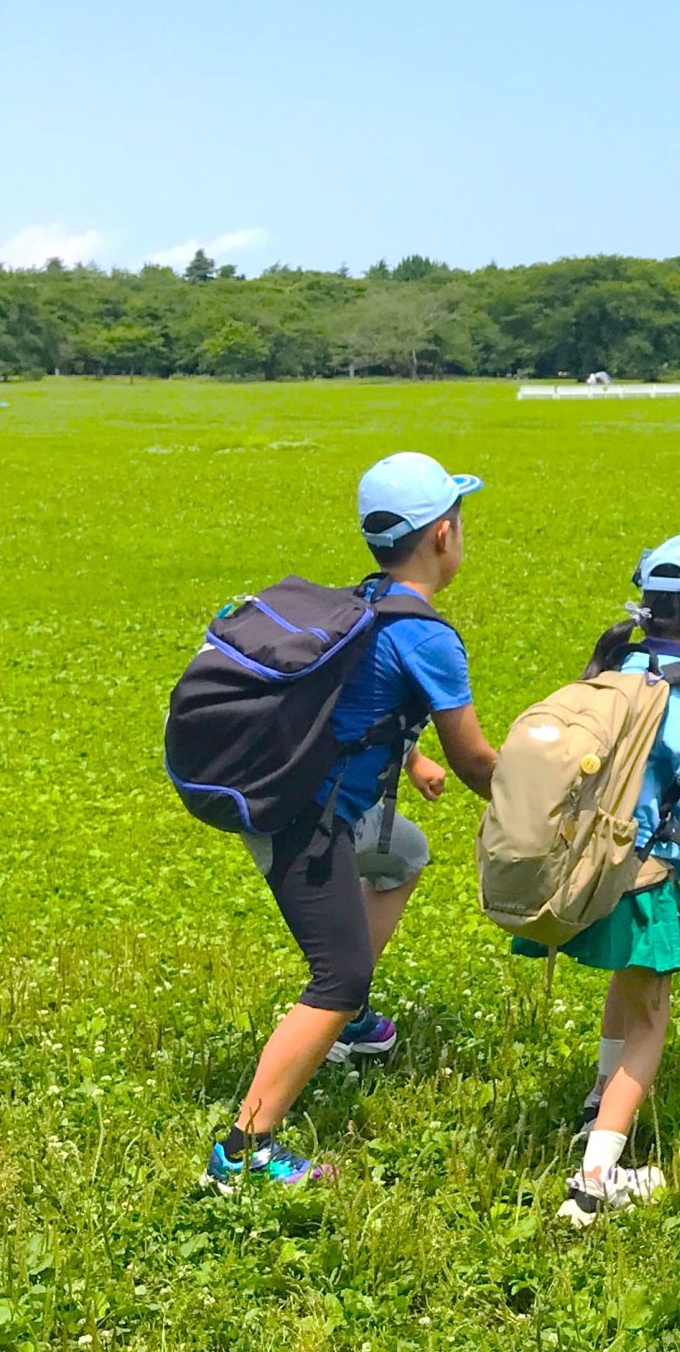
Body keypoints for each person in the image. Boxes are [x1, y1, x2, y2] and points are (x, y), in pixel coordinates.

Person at [202, 453, 500, 1193]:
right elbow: (478, 761)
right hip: (304, 821)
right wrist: (545, 802)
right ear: (442, 536)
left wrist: (410, 759)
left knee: (402, 850)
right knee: (338, 974)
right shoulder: (427, 634)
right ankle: (243, 1152)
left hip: (302, 801)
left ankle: (351, 1024)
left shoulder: (364, 600)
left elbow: (354, 711)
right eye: (459, 522)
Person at [517, 530, 680, 1226]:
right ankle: (594, 1181)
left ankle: (598, 1102)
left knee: (626, 987)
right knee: (651, 1019)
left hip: (586, 865)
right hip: (645, 877)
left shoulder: (615, 667)